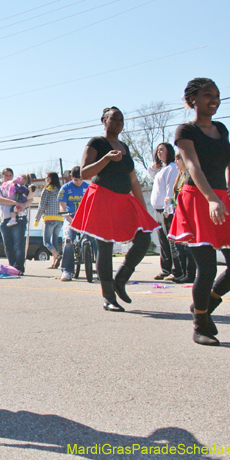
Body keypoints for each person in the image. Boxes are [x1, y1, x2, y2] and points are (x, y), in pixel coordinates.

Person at [169, 78, 230, 346]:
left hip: (218, 198)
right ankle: (200, 326)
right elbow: (193, 167)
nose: (214, 99)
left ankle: (204, 309)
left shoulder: (221, 129)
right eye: (207, 95)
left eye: (217, 95)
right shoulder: (186, 130)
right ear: (192, 99)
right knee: (205, 268)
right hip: (197, 198)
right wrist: (211, 199)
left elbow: (229, 158)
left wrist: (228, 187)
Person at [71, 107, 160, 311]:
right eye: (114, 119)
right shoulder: (96, 143)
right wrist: (106, 159)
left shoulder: (124, 147)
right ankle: (109, 297)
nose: (119, 122)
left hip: (124, 200)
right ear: (104, 121)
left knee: (143, 237)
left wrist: (143, 208)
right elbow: (84, 173)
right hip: (102, 197)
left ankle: (121, 279)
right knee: (105, 246)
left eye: (122, 119)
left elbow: (134, 180)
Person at [148, 143, 181, 280]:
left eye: (162, 149)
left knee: (171, 240)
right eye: (158, 150)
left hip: (166, 210)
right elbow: (151, 174)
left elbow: (170, 190)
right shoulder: (162, 169)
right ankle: (166, 269)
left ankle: (177, 271)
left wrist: (169, 209)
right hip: (157, 210)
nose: (159, 152)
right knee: (162, 240)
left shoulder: (172, 168)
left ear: (169, 152)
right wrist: (153, 167)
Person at [0, 169, 33, 274]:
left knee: (18, 244)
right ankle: (12, 267)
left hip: (19, 218)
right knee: (8, 245)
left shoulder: (16, 187)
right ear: (2, 176)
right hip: (5, 219)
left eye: (10, 175)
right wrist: (15, 203)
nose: (8, 177)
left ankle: (19, 267)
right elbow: (0, 199)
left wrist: (23, 205)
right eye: (6, 175)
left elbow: (29, 199)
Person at [57, 166, 90, 281]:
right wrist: (70, 219)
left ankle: (102, 269)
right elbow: (62, 208)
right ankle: (67, 270)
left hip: (85, 219)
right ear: (71, 177)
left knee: (97, 239)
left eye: (81, 179)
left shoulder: (88, 187)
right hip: (70, 218)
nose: (79, 182)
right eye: (76, 179)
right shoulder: (65, 188)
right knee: (68, 240)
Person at [169, 153, 196, 284]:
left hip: (189, 215)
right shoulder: (179, 176)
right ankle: (183, 273)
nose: (176, 161)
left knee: (188, 246)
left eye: (178, 158)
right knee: (179, 246)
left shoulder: (191, 175)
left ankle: (191, 274)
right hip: (178, 213)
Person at [34, 172, 62, 268]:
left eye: (46, 178)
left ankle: (57, 256)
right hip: (60, 219)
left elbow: (42, 205)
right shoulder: (60, 190)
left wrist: (36, 219)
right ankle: (54, 264)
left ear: (50, 179)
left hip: (49, 218)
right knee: (55, 241)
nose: (45, 180)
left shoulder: (47, 190)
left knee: (46, 242)